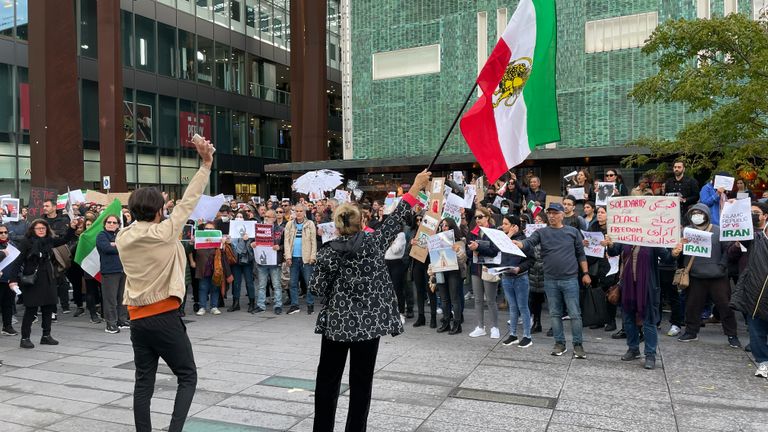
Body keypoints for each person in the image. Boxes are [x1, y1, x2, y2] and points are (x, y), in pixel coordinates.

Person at [309, 170, 429, 432]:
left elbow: (316, 288)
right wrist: (416, 186)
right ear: (361, 221)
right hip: (368, 326)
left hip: (337, 326)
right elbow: (396, 219)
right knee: (362, 384)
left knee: (327, 382)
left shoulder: (328, 253)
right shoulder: (374, 243)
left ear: (338, 225)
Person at [115, 135, 214, 432]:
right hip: (164, 316)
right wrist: (206, 164)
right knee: (187, 376)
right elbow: (189, 201)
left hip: (137, 319)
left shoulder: (122, 237)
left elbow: (173, 209)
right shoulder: (165, 232)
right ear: (159, 211)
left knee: (144, 380)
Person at [513, 203, 590, 358]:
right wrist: (520, 243)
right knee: (554, 314)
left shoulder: (573, 232)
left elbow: (581, 254)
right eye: (549, 213)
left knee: (575, 314)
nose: (551, 216)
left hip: (570, 279)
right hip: (550, 280)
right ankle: (559, 343)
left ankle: (578, 345)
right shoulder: (541, 232)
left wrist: (586, 273)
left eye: (555, 213)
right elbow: (529, 242)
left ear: (562, 215)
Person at [672, 204, 740, 348]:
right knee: (692, 306)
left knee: (725, 306)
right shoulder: (686, 232)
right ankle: (691, 332)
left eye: (699, 212)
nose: (696, 215)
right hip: (696, 276)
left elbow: (727, 252)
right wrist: (679, 249)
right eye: (693, 213)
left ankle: (732, 334)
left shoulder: (718, 231)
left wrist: (721, 267)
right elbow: (678, 255)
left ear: (707, 214)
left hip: (718, 277)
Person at [9, 218, 78, 348]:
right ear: (32, 230)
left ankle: (46, 336)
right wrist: (12, 280)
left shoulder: (49, 241)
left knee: (49, 306)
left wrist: (72, 228)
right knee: (31, 309)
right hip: (32, 279)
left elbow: (64, 240)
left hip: (48, 278)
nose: (41, 230)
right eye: (38, 228)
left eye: (43, 228)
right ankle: (25, 338)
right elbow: (17, 262)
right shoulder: (26, 242)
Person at [606, 238, 669, 370]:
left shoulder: (652, 239)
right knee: (628, 320)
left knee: (649, 321)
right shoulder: (626, 236)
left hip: (646, 287)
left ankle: (650, 355)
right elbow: (613, 251)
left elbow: (667, 258)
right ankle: (633, 349)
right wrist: (610, 244)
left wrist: (675, 253)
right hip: (628, 285)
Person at [730, 202, 768, 378]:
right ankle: (763, 362)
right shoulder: (753, 237)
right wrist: (733, 209)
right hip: (754, 293)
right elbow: (737, 232)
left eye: (756, 213)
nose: (753, 215)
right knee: (756, 330)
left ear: (765, 216)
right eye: (750, 213)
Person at [466, 206, 501, 339]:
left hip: (489, 268)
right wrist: (472, 250)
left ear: (487, 217)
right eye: (476, 217)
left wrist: (478, 247)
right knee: (478, 300)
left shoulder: (494, 231)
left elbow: (494, 251)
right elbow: (468, 252)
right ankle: (480, 326)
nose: (478, 220)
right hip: (476, 269)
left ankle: (495, 327)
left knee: (491, 300)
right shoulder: (472, 232)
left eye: (480, 217)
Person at [499, 215, 533, 347]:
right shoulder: (503, 237)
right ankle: (512, 335)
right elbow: (498, 250)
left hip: (520, 278)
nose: (503, 226)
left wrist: (519, 268)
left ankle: (527, 336)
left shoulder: (523, 240)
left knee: (523, 307)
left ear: (514, 226)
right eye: (503, 223)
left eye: (506, 224)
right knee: (512, 307)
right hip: (506, 277)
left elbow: (531, 259)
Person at [584, 207, 619, 331]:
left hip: (609, 264)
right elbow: (589, 241)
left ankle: (611, 321)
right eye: (598, 212)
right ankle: (599, 320)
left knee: (609, 292)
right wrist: (585, 243)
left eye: (602, 212)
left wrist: (609, 244)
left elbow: (618, 246)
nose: (599, 214)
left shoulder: (613, 228)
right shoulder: (593, 226)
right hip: (595, 263)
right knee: (597, 292)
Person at [433, 218, 467, 335]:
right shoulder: (437, 240)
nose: (444, 227)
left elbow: (463, 259)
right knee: (444, 299)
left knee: (454, 299)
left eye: (446, 226)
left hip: (454, 272)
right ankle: (446, 322)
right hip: (441, 271)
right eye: (442, 225)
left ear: (452, 227)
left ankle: (457, 324)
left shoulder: (459, 241)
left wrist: (457, 251)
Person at [96, 214, 129, 334]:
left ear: (118, 225)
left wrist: (116, 244)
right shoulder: (101, 235)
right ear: (105, 224)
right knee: (110, 299)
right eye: (109, 222)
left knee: (122, 298)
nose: (111, 224)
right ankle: (111, 324)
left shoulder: (120, 235)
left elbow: (129, 247)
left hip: (123, 270)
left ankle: (122, 320)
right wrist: (119, 246)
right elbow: (107, 249)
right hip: (110, 272)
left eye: (114, 223)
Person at [284, 204, 317, 315]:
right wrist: (288, 256)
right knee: (293, 283)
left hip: (306, 258)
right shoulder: (289, 224)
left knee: (308, 283)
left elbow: (314, 241)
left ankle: (310, 304)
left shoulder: (310, 224)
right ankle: (294, 305)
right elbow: (286, 242)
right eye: (296, 211)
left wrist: (313, 257)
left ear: (304, 212)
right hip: (293, 258)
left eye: (300, 211)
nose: (298, 213)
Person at [252, 209, 284, 314]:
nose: (266, 218)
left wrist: (279, 247)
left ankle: (278, 305)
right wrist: (252, 244)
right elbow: (253, 241)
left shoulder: (280, 229)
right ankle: (261, 305)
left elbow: (285, 245)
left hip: (274, 261)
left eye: (268, 217)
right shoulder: (259, 228)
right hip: (262, 262)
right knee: (261, 285)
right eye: (265, 216)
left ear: (274, 219)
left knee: (276, 285)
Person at [527, 212, 547, 334]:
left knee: (552, 299)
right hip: (534, 271)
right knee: (535, 299)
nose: (537, 222)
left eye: (540, 220)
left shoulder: (548, 234)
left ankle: (553, 326)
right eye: (536, 220)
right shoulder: (530, 235)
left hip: (546, 270)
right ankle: (537, 322)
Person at [0, 223, 20, 336]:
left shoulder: (11, 245)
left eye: (5, 232)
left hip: (9, 280)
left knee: (8, 304)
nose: (3, 235)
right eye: (1, 233)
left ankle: (7, 326)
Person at [229, 228, 255, 313]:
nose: (239, 218)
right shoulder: (232, 233)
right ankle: (235, 303)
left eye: (241, 217)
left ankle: (252, 303)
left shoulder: (250, 232)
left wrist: (247, 241)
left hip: (246, 260)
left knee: (249, 282)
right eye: (237, 217)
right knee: (236, 282)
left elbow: (252, 249)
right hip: (235, 260)